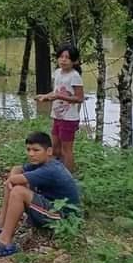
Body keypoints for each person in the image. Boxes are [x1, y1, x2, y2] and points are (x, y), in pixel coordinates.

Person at [0, 131, 81, 258]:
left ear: (49, 151)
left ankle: (5, 242)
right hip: (51, 207)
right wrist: (12, 180)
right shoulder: (42, 163)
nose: (31, 154)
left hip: (64, 219)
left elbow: (15, 180)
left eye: (36, 150)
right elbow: (17, 169)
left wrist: (12, 181)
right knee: (16, 184)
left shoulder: (51, 169)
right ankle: (1, 223)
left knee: (18, 192)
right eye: (28, 149)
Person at [35, 44, 84, 172]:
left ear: (75, 61)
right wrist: (45, 96)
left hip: (69, 118)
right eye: (61, 56)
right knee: (55, 148)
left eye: (67, 58)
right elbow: (56, 92)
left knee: (66, 150)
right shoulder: (57, 72)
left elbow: (79, 98)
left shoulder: (75, 76)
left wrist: (58, 97)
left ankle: (69, 176)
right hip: (57, 116)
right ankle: (56, 172)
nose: (63, 60)